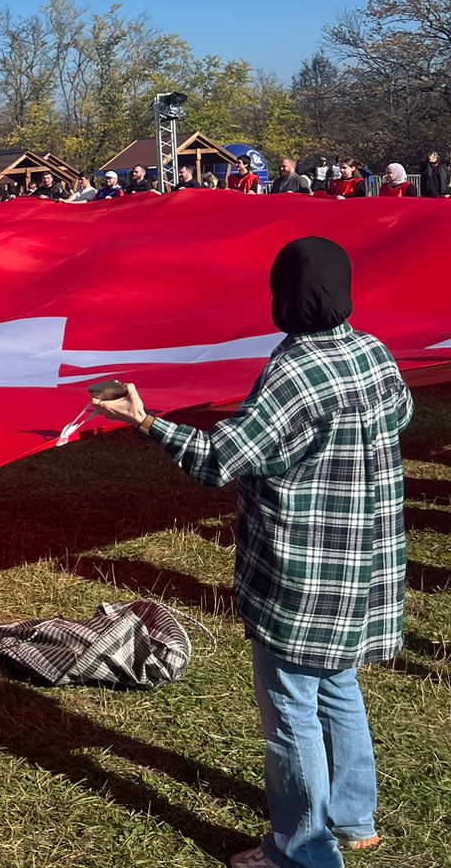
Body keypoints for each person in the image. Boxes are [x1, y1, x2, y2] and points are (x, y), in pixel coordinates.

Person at [94, 237, 411, 868]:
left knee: (292, 710)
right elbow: (399, 414)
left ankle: (304, 851)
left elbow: (221, 459)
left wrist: (148, 421)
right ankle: (354, 817)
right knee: (339, 685)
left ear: (282, 298)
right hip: (364, 570)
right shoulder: (371, 351)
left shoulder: (294, 372)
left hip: (303, 577)